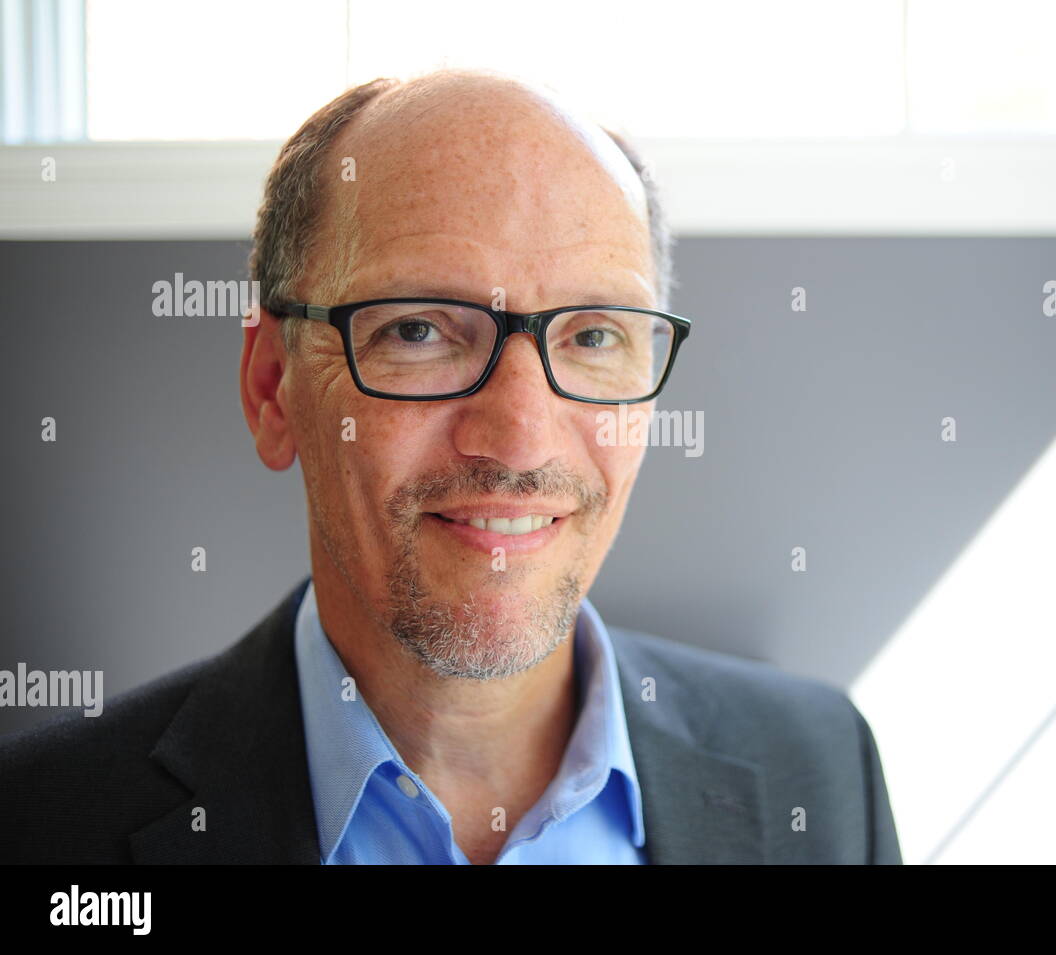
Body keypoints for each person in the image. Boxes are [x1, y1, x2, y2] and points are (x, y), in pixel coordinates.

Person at [0, 69, 901, 864]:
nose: (519, 439)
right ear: (274, 388)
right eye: (419, 330)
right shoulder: (41, 825)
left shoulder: (821, 776)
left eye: (593, 336)